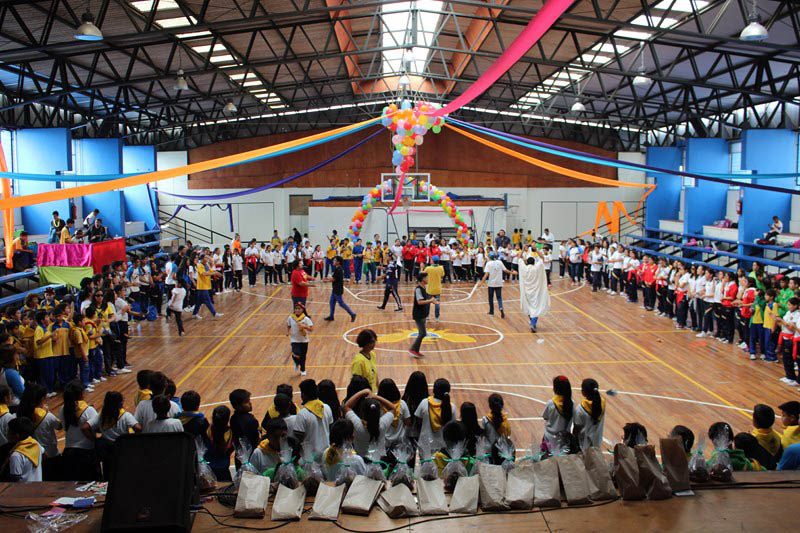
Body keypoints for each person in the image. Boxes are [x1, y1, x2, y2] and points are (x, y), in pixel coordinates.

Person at [59, 380, 99, 481]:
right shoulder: (89, 410)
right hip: (86, 454)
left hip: (68, 453)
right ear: (81, 393)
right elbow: (97, 428)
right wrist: (94, 439)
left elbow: (64, 427)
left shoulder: (63, 408)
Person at [293, 379, 334, 460]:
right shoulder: (327, 407)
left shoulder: (302, 414)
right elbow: (330, 428)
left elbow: (298, 440)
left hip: (309, 459)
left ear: (304, 395)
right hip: (326, 456)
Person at [414, 377, 454, 451]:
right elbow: (452, 428)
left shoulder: (424, 402)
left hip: (425, 445)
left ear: (433, 390)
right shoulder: (452, 407)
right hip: (444, 446)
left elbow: (418, 422)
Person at [518, 250, 550, 333]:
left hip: (526, 291)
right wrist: (536, 250)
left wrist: (522, 250)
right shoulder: (536, 268)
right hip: (536, 291)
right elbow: (542, 258)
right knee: (536, 307)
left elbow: (519, 258)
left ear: (527, 262)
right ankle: (533, 323)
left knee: (529, 307)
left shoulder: (524, 268)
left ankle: (532, 322)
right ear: (533, 262)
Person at [573, 378, 605, 451]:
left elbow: (576, 429)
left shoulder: (580, 409)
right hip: (597, 442)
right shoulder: (602, 403)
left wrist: (573, 442)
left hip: (583, 445)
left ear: (583, 392)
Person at [7, 417, 43, 482]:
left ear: (17, 435)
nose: (7, 434)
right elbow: (44, 453)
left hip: (24, 491)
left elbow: (15, 481)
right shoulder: (36, 444)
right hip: (38, 488)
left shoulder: (16, 456)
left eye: (9, 431)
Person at [541, 375, 573, 448]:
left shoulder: (551, 403)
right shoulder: (572, 404)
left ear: (555, 388)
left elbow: (545, 417)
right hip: (564, 440)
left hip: (549, 439)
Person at [409, 272, 436, 359]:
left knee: (422, 333)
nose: (428, 279)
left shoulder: (423, 288)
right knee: (422, 333)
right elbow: (420, 302)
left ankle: (416, 350)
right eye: (427, 278)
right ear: (423, 279)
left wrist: (432, 299)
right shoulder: (418, 289)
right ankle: (413, 349)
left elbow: (426, 298)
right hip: (418, 314)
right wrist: (430, 301)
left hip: (423, 314)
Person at [204, 405, 234, 481]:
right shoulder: (230, 433)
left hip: (208, 465)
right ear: (227, 419)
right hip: (223, 467)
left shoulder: (207, 429)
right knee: (226, 488)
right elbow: (230, 449)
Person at [323, 256, 356, 322]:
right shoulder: (338, 269)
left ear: (338, 262)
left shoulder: (338, 269)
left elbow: (333, 279)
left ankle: (352, 314)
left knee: (341, 303)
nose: (333, 261)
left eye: (335, 260)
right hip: (335, 288)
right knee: (332, 302)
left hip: (337, 289)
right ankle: (331, 316)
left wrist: (326, 280)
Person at [481, 252, 512, 318]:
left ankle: (491, 311)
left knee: (490, 298)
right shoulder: (500, 262)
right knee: (499, 297)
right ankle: (501, 308)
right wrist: (513, 273)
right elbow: (506, 270)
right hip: (499, 283)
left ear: (489, 257)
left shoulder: (488, 263)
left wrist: (481, 282)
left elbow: (486, 274)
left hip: (491, 284)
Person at [192, 255, 223, 319]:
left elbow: (211, 271)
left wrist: (216, 272)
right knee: (207, 300)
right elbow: (204, 273)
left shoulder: (206, 265)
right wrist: (214, 273)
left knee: (199, 301)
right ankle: (214, 313)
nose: (207, 259)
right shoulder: (199, 265)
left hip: (206, 285)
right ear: (202, 259)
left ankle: (194, 313)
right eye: (205, 257)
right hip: (202, 286)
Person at [287, 302, 313, 376]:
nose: (297, 310)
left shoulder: (306, 319)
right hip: (294, 339)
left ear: (302, 310)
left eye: (299, 309)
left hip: (304, 340)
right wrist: (288, 332)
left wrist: (304, 326)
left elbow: (311, 329)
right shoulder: (290, 318)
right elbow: (288, 325)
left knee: (303, 356)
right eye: (296, 309)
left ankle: (303, 369)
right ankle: (296, 362)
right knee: (296, 353)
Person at [423, 256, 445, 322]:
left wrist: (421, 268)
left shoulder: (428, 268)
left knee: (427, 303)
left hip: (429, 289)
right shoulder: (441, 268)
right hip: (437, 289)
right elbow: (442, 275)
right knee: (437, 303)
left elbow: (423, 275)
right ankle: (437, 317)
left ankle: (427, 316)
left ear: (432, 261)